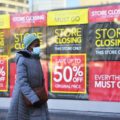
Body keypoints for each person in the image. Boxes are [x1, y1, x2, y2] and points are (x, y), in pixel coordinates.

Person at [6, 34, 49, 120]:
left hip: (37, 96)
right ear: (29, 46)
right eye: (36, 45)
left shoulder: (36, 58)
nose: (38, 47)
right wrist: (34, 99)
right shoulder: (22, 60)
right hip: (25, 99)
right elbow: (22, 82)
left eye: (39, 45)